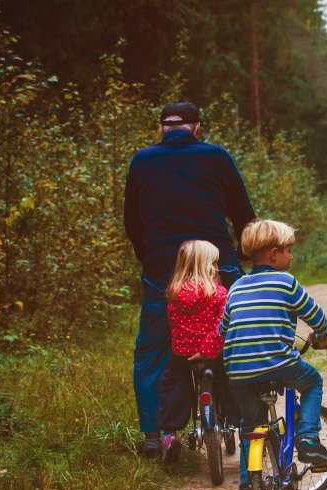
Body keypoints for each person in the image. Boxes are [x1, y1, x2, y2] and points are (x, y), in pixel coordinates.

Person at [124, 101, 256, 456]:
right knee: (233, 337)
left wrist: (153, 262)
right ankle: (245, 422)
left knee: (153, 351)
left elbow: (132, 225)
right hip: (218, 266)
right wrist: (242, 258)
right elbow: (244, 215)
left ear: (162, 128)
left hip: (163, 271)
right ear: (196, 128)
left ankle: (155, 437)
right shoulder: (217, 157)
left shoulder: (142, 161)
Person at [220, 220, 327, 490]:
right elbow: (315, 315)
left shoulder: (236, 287)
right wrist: (322, 335)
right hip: (279, 362)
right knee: (312, 382)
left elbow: (223, 329)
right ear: (273, 254)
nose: (291, 257)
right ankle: (308, 439)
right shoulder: (286, 283)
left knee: (251, 425)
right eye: (288, 250)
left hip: (238, 370)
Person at [156, 240, 232, 465]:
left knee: (174, 384)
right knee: (232, 379)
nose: (218, 267)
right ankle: (245, 422)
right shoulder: (219, 293)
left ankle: (170, 433)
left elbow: (173, 323)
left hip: (183, 354)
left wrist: (187, 347)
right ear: (207, 265)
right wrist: (207, 351)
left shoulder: (174, 292)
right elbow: (222, 326)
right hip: (213, 353)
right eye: (215, 263)